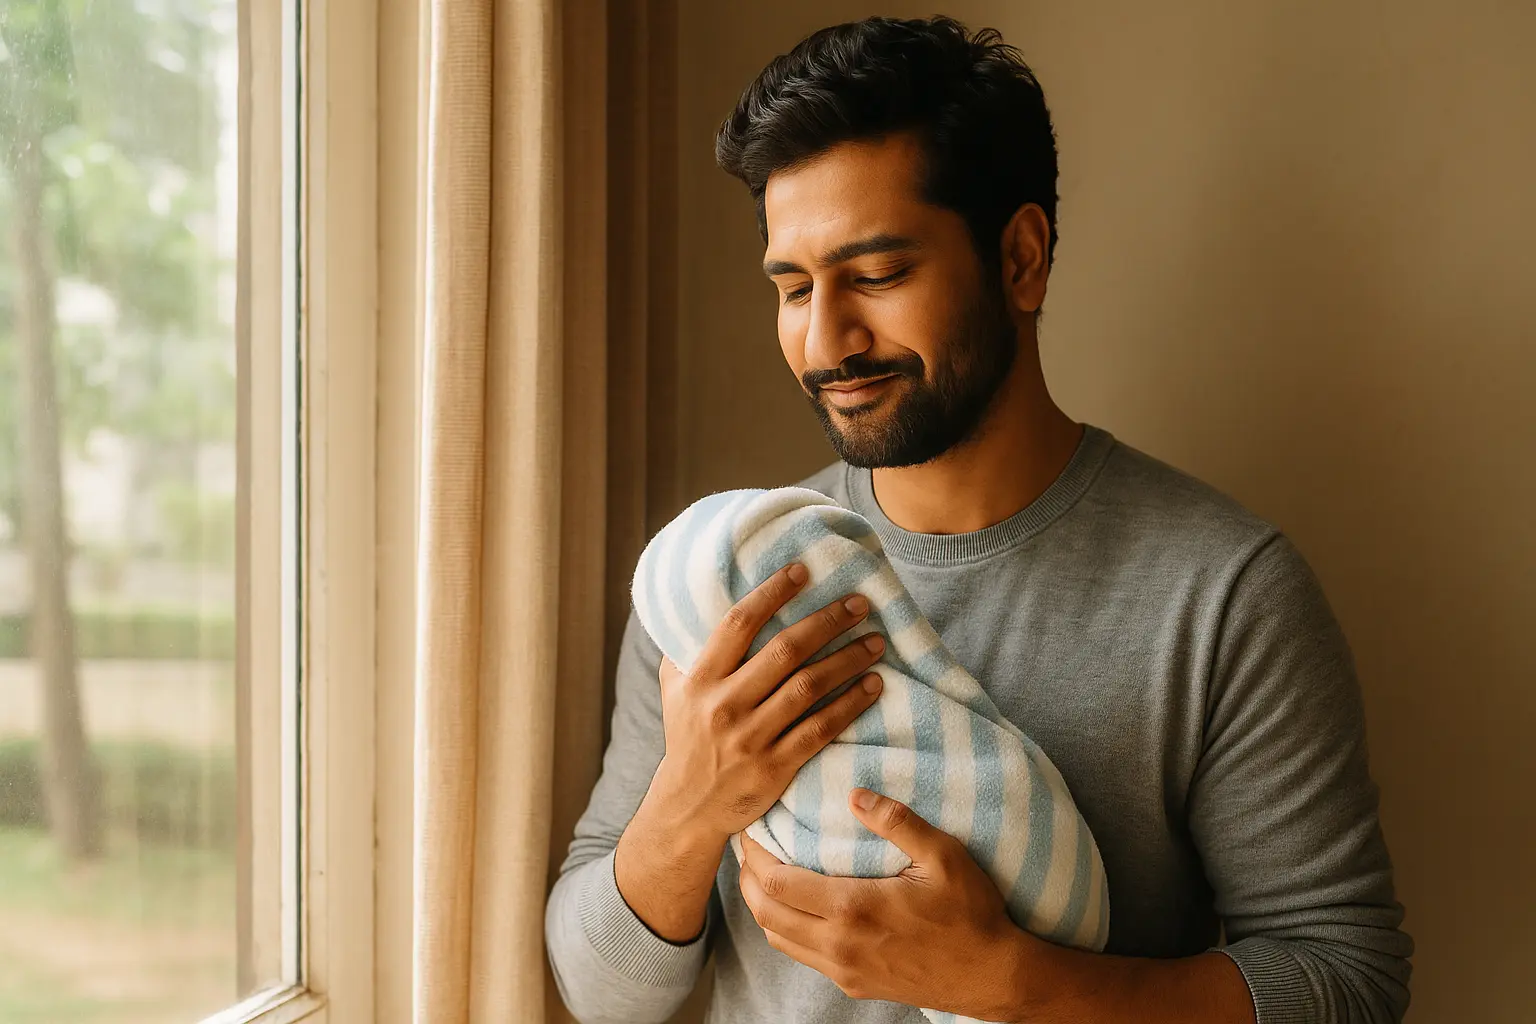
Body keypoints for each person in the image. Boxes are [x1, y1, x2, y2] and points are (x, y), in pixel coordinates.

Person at [545, 15, 1412, 1024]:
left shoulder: (1221, 595)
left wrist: (1016, 985)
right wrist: (687, 808)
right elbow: (599, 996)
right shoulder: (732, 573)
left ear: (1021, 259)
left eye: (877, 276)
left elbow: (1350, 981)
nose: (827, 340)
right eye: (794, 288)